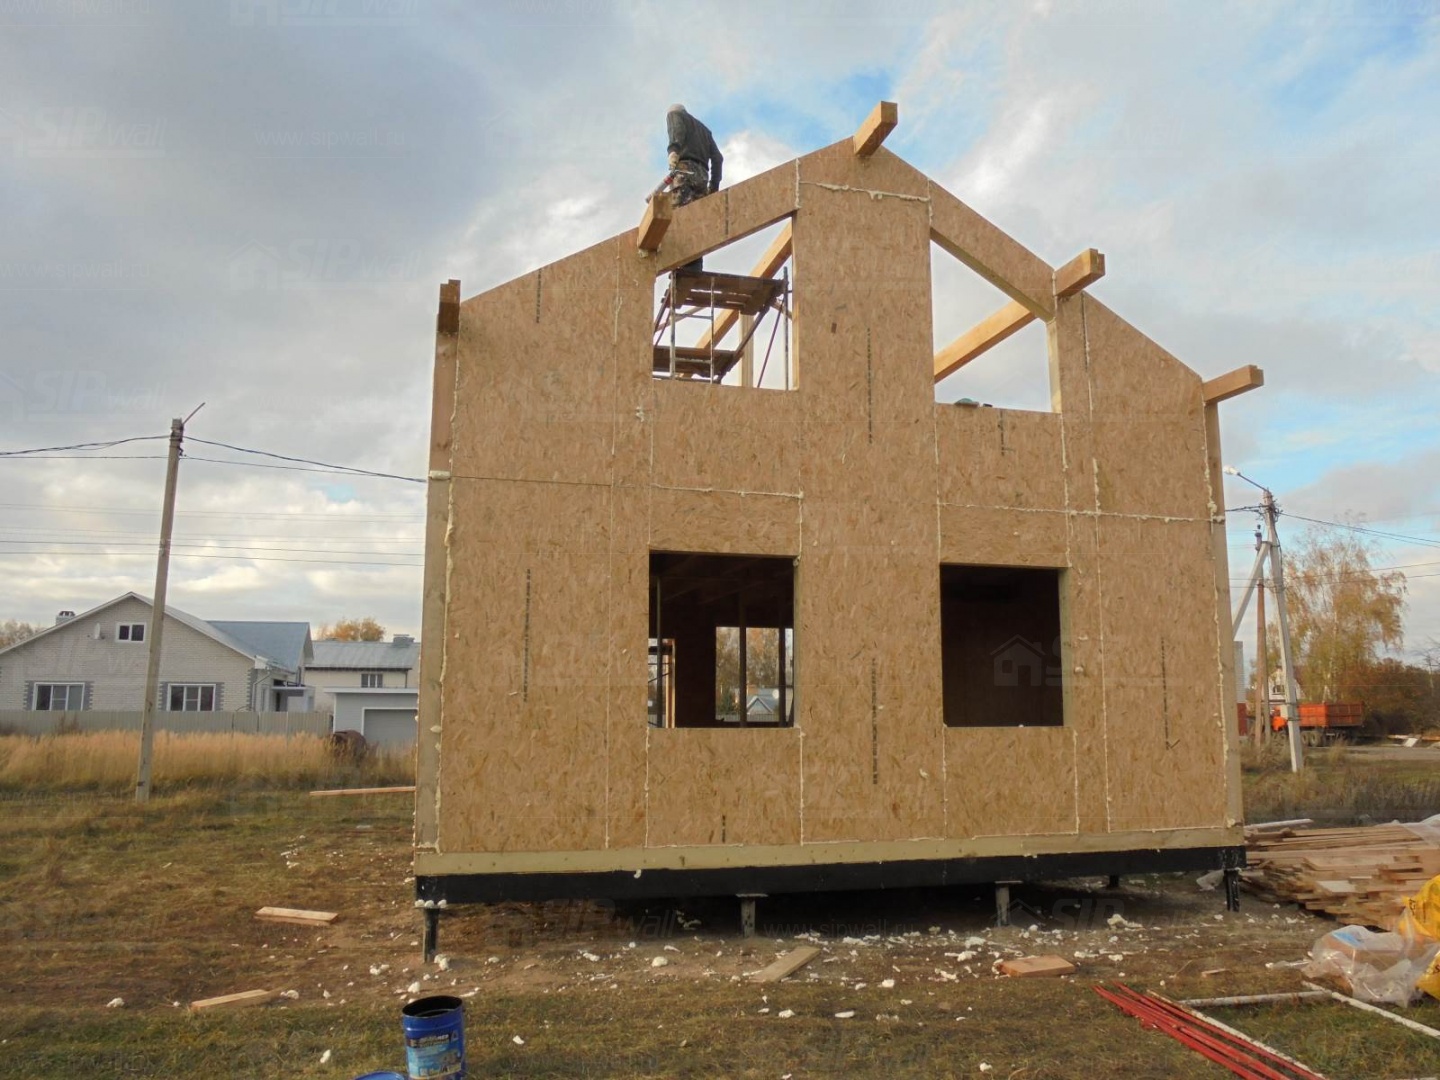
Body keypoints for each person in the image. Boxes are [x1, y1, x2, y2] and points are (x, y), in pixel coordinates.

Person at [665, 103, 722, 208]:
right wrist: (714, 187)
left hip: (685, 170)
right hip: (703, 176)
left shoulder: (675, 114)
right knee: (700, 213)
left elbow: (677, 131)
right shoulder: (705, 131)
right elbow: (718, 158)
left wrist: (673, 151)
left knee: (679, 211)